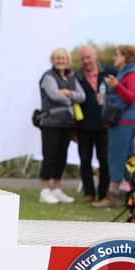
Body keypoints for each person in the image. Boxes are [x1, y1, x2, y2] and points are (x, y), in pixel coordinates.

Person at [92, 45, 135, 208]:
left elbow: (132, 97)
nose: (115, 58)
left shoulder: (133, 74)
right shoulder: (126, 73)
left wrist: (116, 86)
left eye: (117, 55)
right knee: (127, 160)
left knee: (116, 159)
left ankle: (112, 196)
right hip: (122, 121)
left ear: (126, 57)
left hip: (124, 122)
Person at [38, 47, 85, 204]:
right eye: (58, 58)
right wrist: (69, 97)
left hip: (67, 122)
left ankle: (57, 189)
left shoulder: (71, 76)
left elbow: (82, 96)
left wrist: (69, 93)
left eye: (63, 58)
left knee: (61, 156)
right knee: (50, 155)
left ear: (67, 60)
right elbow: (53, 94)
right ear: (53, 60)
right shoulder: (48, 76)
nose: (61, 61)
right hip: (50, 122)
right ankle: (45, 190)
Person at [74, 45, 114, 202]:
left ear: (95, 56)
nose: (85, 61)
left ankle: (103, 193)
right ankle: (88, 192)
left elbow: (128, 85)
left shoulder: (108, 73)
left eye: (88, 57)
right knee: (85, 160)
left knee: (104, 159)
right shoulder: (76, 76)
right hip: (83, 127)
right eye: (83, 58)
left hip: (105, 126)